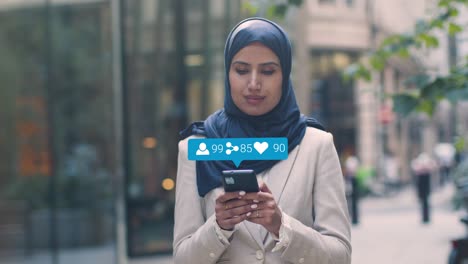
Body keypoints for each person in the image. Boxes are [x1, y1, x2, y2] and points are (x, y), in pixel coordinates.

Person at [174, 17, 351, 264]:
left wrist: (282, 226)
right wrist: (219, 227)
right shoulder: (198, 147)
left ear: (285, 74)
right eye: (242, 70)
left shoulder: (315, 144)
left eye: (268, 71)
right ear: (228, 73)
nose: (254, 83)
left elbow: (340, 256)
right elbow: (182, 259)